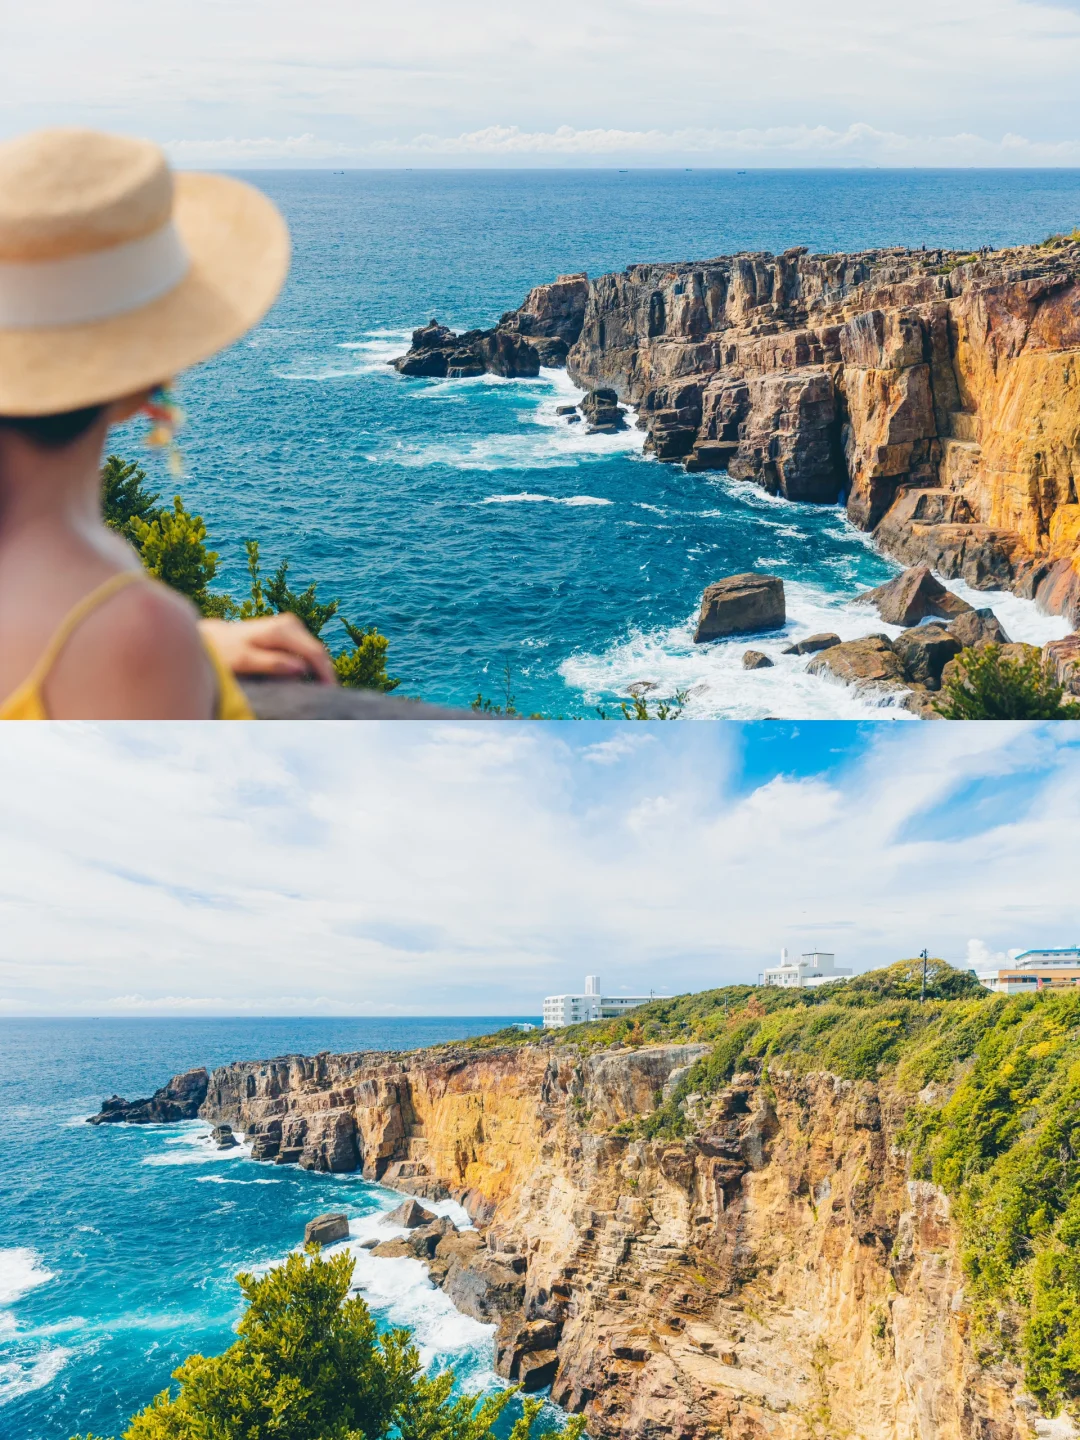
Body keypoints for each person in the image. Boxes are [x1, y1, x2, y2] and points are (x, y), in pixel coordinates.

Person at [0, 127, 335, 719]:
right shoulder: (129, 634)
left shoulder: (116, 631)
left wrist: (189, 646)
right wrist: (158, 651)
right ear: (140, 380)